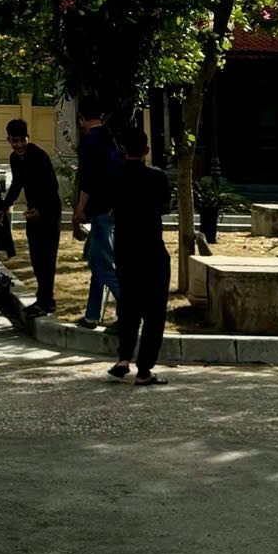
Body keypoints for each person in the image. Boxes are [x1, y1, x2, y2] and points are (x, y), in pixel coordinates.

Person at [108, 121, 171, 386]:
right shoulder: (157, 178)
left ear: (123, 150)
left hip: (125, 249)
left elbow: (109, 205)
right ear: (146, 150)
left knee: (128, 305)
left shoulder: (115, 176)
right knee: (155, 312)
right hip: (152, 249)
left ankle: (123, 357)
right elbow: (165, 208)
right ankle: (144, 369)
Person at [5, 117, 63, 315]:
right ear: (9, 140)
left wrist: (41, 210)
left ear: (28, 137)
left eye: (23, 140)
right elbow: (16, 184)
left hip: (49, 212)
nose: (19, 145)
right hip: (33, 213)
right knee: (37, 259)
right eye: (15, 141)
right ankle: (43, 300)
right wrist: (4, 206)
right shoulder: (15, 159)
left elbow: (52, 187)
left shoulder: (39, 156)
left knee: (47, 259)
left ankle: (47, 302)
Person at [71, 94, 120, 329]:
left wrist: (80, 208)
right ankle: (92, 315)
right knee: (97, 261)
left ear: (81, 117)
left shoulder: (89, 141)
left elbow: (88, 180)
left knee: (104, 265)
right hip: (114, 206)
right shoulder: (110, 138)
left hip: (100, 208)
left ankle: (131, 313)